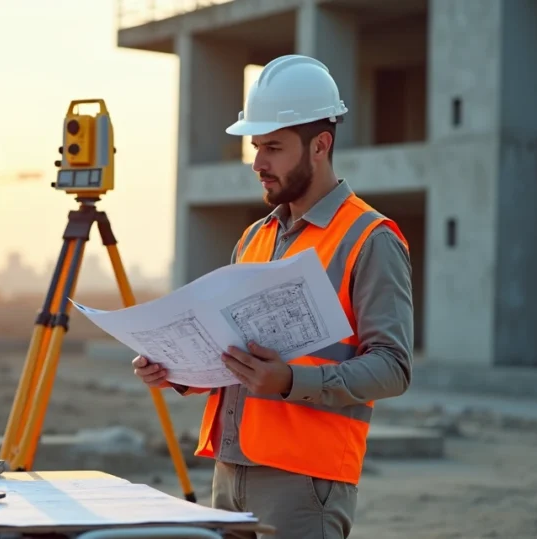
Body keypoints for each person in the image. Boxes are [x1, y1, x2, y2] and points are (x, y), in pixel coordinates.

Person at [131, 54, 414, 538]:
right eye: (256, 147)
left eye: (274, 148)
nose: (258, 164)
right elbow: (231, 354)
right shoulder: (255, 237)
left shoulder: (370, 238)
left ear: (320, 145)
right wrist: (174, 369)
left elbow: (393, 367)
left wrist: (289, 381)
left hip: (304, 482)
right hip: (230, 470)